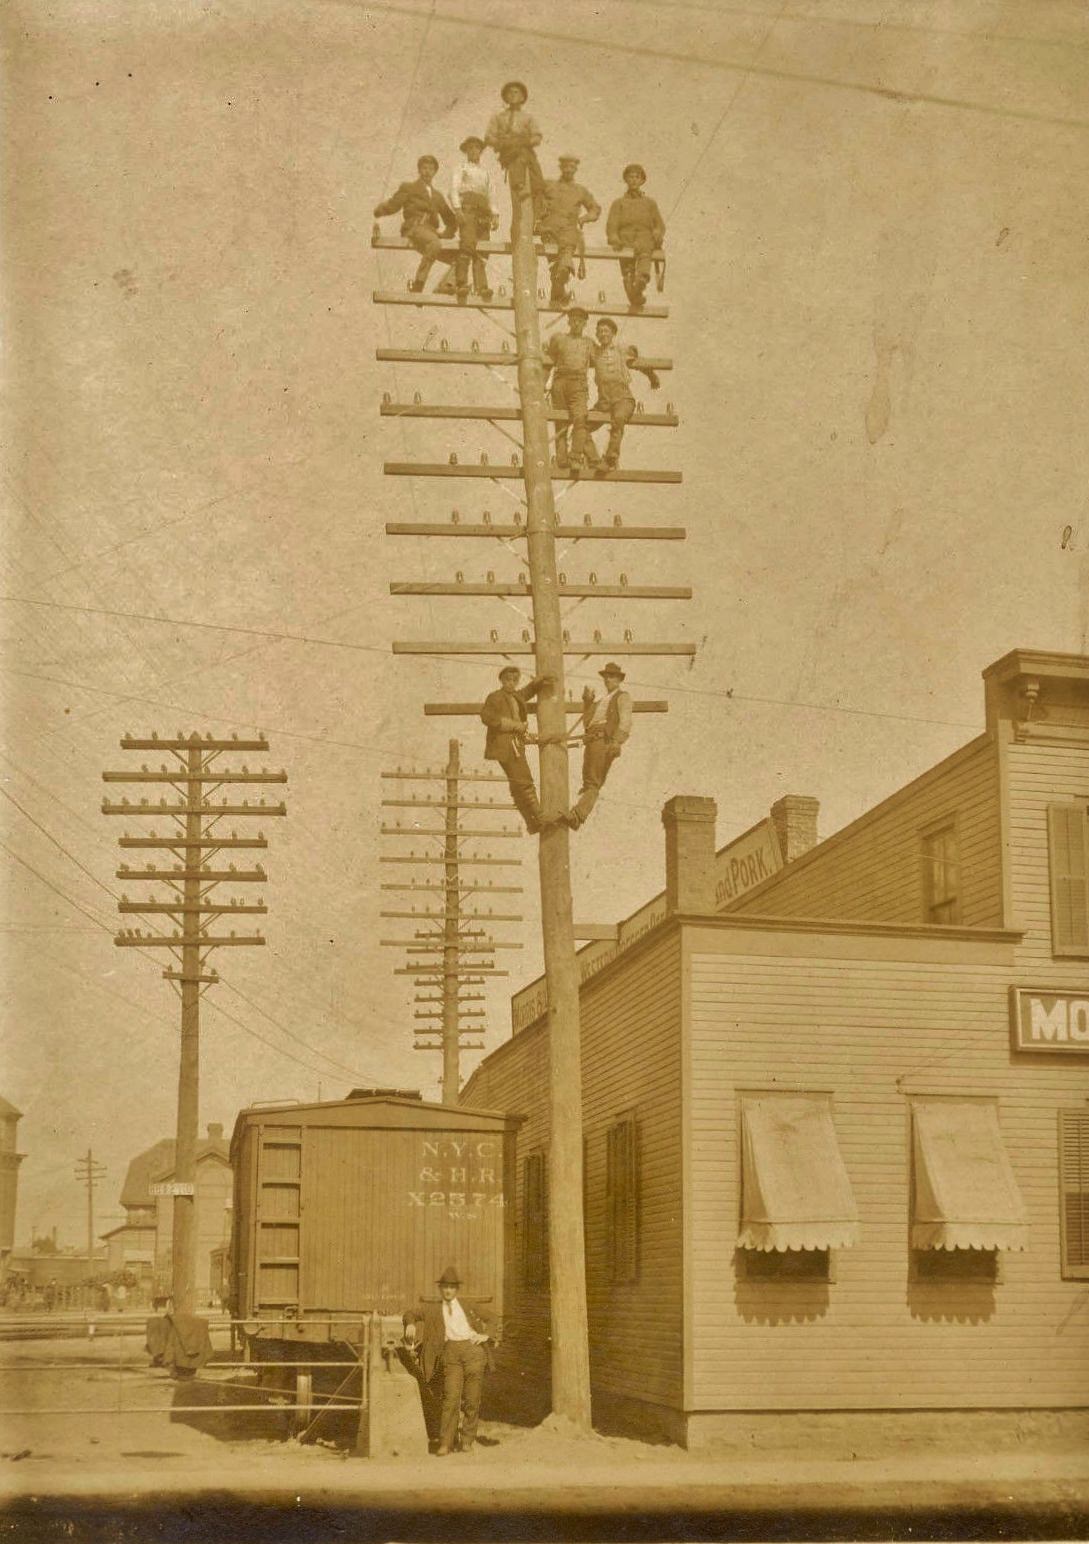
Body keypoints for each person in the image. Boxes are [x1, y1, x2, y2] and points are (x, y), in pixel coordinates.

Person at [403, 1266, 496, 1455]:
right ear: (440, 1289)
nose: (448, 1290)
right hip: (451, 1354)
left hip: (473, 1352)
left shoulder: (468, 1306)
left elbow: (492, 1318)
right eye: (445, 1287)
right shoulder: (434, 1309)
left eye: (452, 1287)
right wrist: (410, 1324)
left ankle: (467, 1441)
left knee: (471, 1399)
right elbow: (409, 1313)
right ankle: (446, 1442)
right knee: (450, 1398)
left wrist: (485, 1335)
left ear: (456, 1289)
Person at [561, 663, 633, 829]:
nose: (608, 679)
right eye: (606, 677)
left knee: (593, 782)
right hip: (592, 741)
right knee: (589, 782)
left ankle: (578, 815)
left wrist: (617, 741)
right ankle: (577, 818)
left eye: (612, 676)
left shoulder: (622, 697)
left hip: (604, 741)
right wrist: (588, 701)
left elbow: (626, 721)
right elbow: (587, 722)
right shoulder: (602, 700)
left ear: (619, 679)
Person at [373, 155, 458, 294]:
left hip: (430, 235)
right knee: (434, 244)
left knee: (460, 259)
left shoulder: (437, 196)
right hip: (414, 228)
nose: (427, 172)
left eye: (431, 169)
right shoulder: (409, 188)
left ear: (435, 172)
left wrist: (446, 234)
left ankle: (445, 286)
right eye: (424, 168)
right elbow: (394, 205)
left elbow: (451, 220)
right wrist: (379, 211)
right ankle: (418, 285)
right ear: (419, 170)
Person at [481, 666, 551, 833]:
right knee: (524, 781)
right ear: (502, 680)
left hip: (516, 745)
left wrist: (537, 682)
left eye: (514, 680)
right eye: (508, 680)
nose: (511, 683)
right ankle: (540, 818)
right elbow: (487, 717)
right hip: (506, 746)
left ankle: (532, 823)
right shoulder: (495, 697)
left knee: (517, 785)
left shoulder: (516, 696)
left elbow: (527, 692)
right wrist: (515, 725)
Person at [588, 317, 662, 469]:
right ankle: (593, 459)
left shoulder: (621, 350)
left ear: (613, 333)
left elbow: (639, 362)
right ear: (596, 335)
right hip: (604, 401)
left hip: (622, 398)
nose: (603, 334)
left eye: (606, 331)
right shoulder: (594, 352)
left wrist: (652, 376)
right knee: (581, 426)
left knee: (619, 418)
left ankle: (611, 458)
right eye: (600, 331)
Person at [538, 155, 600, 305]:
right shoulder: (549, 185)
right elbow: (535, 196)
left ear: (575, 169)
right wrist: (539, 215)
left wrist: (584, 219)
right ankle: (558, 291)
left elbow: (595, 209)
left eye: (572, 167)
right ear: (561, 168)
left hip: (569, 228)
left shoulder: (580, 191)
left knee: (565, 254)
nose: (568, 170)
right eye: (565, 167)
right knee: (554, 261)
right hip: (549, 228)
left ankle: (561, 281)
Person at [544, 307, 599, 472]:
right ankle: (562, 459)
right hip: (560, 382)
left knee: (580, 418)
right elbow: (549, 361)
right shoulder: (559, 339)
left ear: (584, 324)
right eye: (573, 320)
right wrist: (542, 384)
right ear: (568, 321)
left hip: (578, 384)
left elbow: (601, 361)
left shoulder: (589, 343)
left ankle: (576, 456)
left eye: (580, 321)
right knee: (561, 422)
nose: (576, 323)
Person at [606, 164, 665, 310]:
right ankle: (635, 295)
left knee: (645, 253)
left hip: (644, 239)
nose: (633, 180)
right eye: (630, 177)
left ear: (642, 181)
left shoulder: (650, 203)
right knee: (627, 274)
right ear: (625, 179)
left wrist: (657, 233)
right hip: (625, 240)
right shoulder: (618, 203)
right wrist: (614, 238)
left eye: (637, 177)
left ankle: (642, 279)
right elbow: (612, 225)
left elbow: (659, 225)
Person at [484, 82, 545, 220]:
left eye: (516, 92)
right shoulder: (499, 117)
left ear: (523, 97)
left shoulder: (528, 117)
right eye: (510, 92)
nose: (513, 95)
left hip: (524, 148)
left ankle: (537, 204)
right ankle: (519, 185)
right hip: (507, 151)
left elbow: (537, 136)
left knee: (535, 173)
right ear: (505, 97)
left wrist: (524, 141)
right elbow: (489, 136)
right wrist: (501, 143)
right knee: (519, 156)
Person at [450, 136, 497, 303]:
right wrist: (457, 210)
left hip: (483, 215)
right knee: (467, 244)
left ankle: (482, 287)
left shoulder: (485, 173)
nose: (474, 151)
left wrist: (495, 214)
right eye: (470, 148)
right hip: (468, 211)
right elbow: (454, 190)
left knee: (483, 249)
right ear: (466, 151)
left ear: (480, 151)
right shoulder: (461, 168)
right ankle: (461, 283)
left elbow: (490, 194)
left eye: (477, 148)